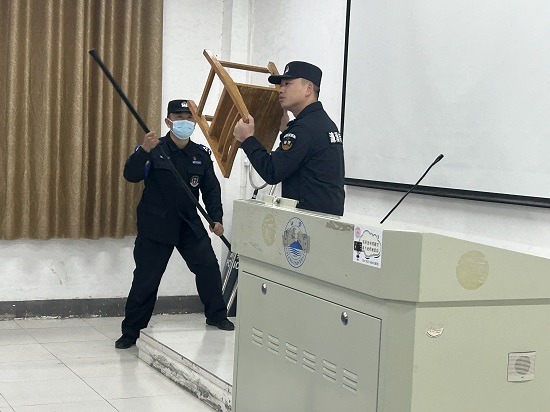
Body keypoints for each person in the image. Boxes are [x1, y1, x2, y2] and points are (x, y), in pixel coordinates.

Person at [115, 99, 234, 350]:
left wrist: (216, 218)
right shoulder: (153, 149)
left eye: (189, 118)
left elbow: (211, 189)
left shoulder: (200, 154)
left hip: (188, 223)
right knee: (146, 279)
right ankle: (131, 331)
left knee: (208, 268)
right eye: (179, 118)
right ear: (168, 122)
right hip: (156, 225)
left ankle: (216, 315)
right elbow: (131, 175)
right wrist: (143, 150)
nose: (185, 122)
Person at [233, 61, 345, 216]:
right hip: (323, 219)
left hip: (309, 222)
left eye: (287, 84)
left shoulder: (304, 129)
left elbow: (272, 172)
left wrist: (247, 139)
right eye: (281, 85)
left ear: (308, 89)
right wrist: (286, 131)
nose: (280, 90)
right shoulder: (322, 122)